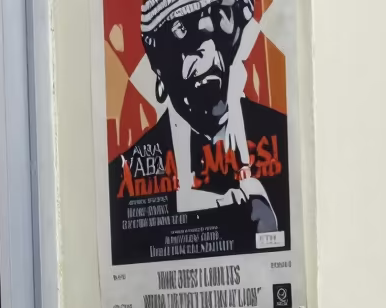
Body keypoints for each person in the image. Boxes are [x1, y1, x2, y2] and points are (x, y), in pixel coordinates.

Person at [108, 0, 290, 263]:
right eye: (183, 38)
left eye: (216, 28)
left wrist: (271, 236)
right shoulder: (124, 177)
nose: (207, 53)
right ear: (157, 63)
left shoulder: (282, 140)